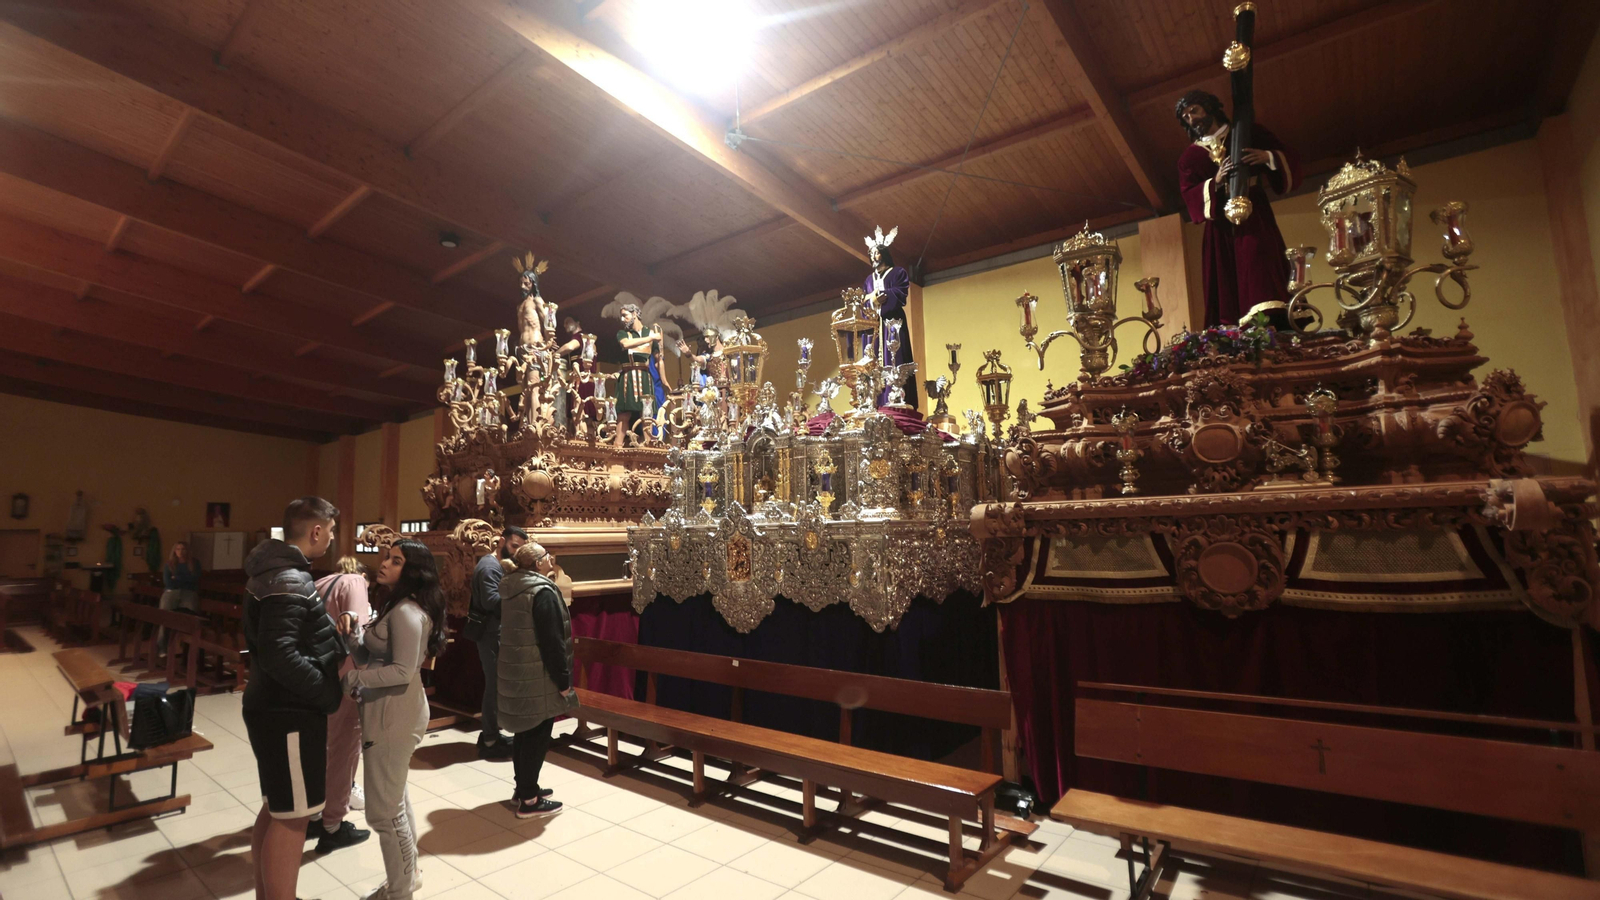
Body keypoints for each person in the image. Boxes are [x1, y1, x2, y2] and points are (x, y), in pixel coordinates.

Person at [242, 497, 346, 900]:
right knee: (295, 817)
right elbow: (278, 653)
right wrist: (324, 693)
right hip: (288, 710)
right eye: (331, 532)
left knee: (277, 808)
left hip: (271, 703)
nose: (332, 540)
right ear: (316, 531)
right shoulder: (289, 579)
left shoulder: (274, 571)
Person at [335, 540, 448, 900]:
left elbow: (401, 671)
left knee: (383, 813)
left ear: (413, 571)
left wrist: (355, 679)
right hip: (387, 710)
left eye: (396, 561)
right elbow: (373, 655)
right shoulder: (394, 605)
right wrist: (354, 638)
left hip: (395, 714)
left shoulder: (406, 612)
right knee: (394, 800)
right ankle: (407, 874)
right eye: (387, 557)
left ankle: (400, 890)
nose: (384, 564)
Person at [1174, 89, 1301, 327]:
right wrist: (1216, 181)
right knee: (1225, 276)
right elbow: (1190, 195)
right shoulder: (1189, 158)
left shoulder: (1247, 133)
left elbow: (1290, 159)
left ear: (1209, 108)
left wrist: (1268, 157)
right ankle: (1231, 328)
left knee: (1259, 261)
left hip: (1255, 212)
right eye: (1186, 117)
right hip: (1220, 225)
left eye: (1194, 111)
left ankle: (1271, 317)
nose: (1191, 119)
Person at [497, 541, 577, 818]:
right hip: (538, 675)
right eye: (546, 555)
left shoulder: (512, 586)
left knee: (524, 733)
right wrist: (563, 680)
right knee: (537, 735)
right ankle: (529, 801)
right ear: (537, 563)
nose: (550, 558)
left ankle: (524, 788)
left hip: (519, 671)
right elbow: (552, 642)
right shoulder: (541, 591)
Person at [309, 556, 373, 853]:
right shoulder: (356, 581)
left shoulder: (320, 582)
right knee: (344, 751)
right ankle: (333, 824)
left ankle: (314, 813)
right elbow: (356, 633)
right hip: (346, 678)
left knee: (321, 747)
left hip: (317, 677)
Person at [463, 525, 528, 760]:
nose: (516, 552)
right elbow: (492, 601)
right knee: (495, 686)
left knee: (497, 685)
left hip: (495, 632)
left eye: (520, 549)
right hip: (490, 634)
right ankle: (490, 738)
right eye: (514, 546)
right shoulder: (490, 567)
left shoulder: (497, 565)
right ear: (501, 541)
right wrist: (521, 593)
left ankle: (492, 733)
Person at [862, 226, 916, 409]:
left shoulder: (897, 272)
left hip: (891, 325)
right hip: (874, 329)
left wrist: (881, 297)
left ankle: (895, 400)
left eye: (876, 253)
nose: (873, 257)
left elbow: (900, 294)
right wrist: (872, 300)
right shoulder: (868, 280)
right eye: (871, 253)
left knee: (894, 360)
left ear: (884, 254)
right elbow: (864, 302)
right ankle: (873, 402)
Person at [615, 303, 662, 447]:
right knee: (624, 414)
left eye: (625, 315)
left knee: (647, 414)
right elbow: (626, 344)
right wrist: (650, 339)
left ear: (634, 314)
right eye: (621, 316)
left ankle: (649, 446)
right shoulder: (623, 334)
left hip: (645, 376)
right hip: (628, 376)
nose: (623, 319)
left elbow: (659, 360)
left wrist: (664, 381)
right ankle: (617, 446)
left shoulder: (650, 332)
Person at [155, 542, 201, 655]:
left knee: (190, 619)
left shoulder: (194, 563)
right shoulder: (170, 564)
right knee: (165, 617)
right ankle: (162, 647)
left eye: (183, 549)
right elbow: (168, 582)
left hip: (189, 593)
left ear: (187, 550)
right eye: (178, 549)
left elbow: (195, 579)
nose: (180, 551)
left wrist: (177, 577)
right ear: (174, 551)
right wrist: (185, 579)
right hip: (172, 592)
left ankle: (188, 648)